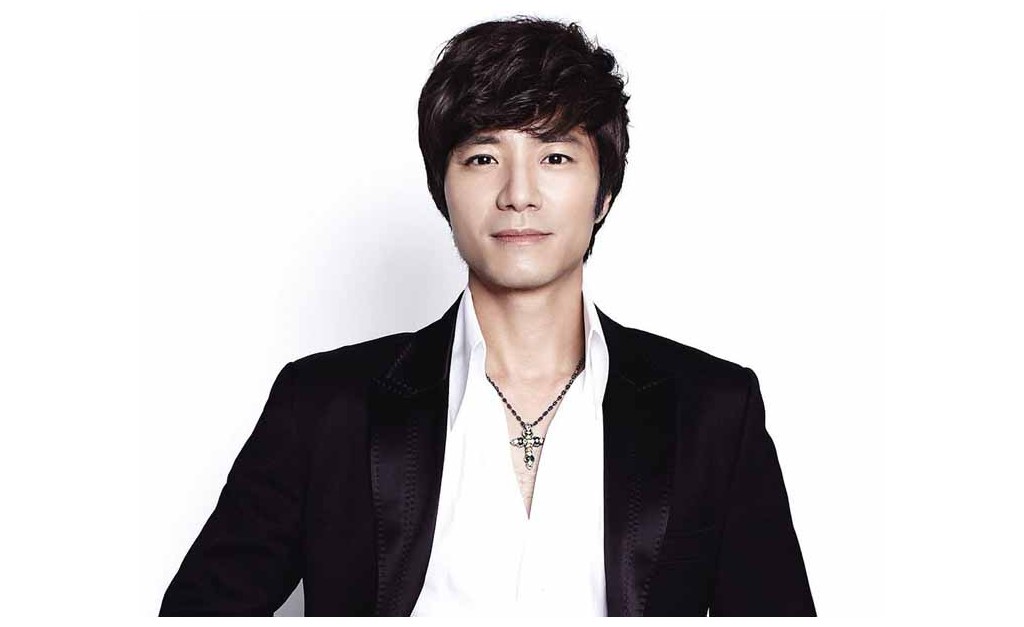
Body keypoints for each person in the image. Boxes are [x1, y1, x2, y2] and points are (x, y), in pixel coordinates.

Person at [159, 15, 815, 617]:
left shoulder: (713, 411)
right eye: (482, 158)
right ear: (442, 188)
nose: (518, 194)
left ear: (604, 192)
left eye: (554, 156)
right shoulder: (324, 406)